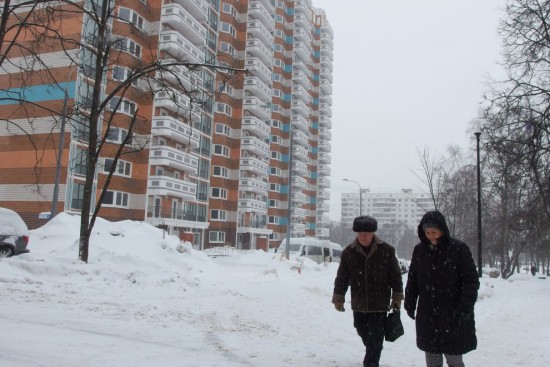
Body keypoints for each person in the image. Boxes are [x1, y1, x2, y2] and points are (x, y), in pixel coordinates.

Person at [404, 210, 480, 367]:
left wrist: (465, 306)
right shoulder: (420, 251)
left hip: (453, 314)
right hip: (428, 315)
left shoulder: (458, 249)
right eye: (427, 232)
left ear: (442, 230)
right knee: (432, 360)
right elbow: (413, 280)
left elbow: (471, 280)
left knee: (454, 359)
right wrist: (410, 302)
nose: (431, 236)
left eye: (434, 232)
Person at [332, 215, 404, 367]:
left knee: (376, 335)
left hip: (379, 303)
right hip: (359, 302)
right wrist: (338, 297)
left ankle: (371, 361)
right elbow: (342, 277)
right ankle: (374, 347)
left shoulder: (386, 251)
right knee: (362, 330)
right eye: (360, 233)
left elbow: (396, 276)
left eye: (367, 233)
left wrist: (397, 297)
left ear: (373, 233)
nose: (363, 236)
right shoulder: (349, 253)